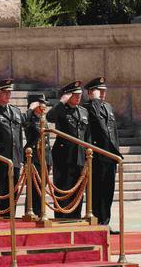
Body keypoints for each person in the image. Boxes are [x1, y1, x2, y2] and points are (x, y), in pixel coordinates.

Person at [84, 77, 123, 234]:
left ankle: (105, 223)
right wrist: (94, 101)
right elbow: (98, 127)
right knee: (96, 192)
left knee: (108, 192)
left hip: (109, 156)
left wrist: (117, 153)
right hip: (97, 156)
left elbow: (113, 132)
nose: (102, 94)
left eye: (104, 91)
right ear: (90, 93)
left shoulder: (108, 107)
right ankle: (95, 223)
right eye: (99, 91)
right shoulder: (88, 107)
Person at [46, 81, 90, 219]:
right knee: (63, 189)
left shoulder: (83, 111)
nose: (78, 97)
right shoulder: (61, 110)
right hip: (64, 156)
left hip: (80, 157)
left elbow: (87, 134)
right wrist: (61, 102)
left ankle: (75, 217)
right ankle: (61, 218)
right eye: (75, 95)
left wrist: (88, 154)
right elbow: (49, 117)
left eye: (79, 94)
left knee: (78, 191)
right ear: (68, 96)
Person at [0, 79, 24, 217]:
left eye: (9, 92)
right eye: (5, 92)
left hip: (14, 159)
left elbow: (19, 136)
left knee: (11, 195)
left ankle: (10, 220)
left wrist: (21, 159)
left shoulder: (16, 111)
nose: (8, 95)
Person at [23, 94, 52, 217]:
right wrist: (30, 110)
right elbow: (24, 124)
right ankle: (31, 212)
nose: (43, 106)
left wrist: (49, 160)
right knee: (33, 188)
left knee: (41, 189)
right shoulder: (30, 120)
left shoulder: (42, 120)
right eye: (40, 104)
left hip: (44, 158)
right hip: (34, 158)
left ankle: (40, 212)